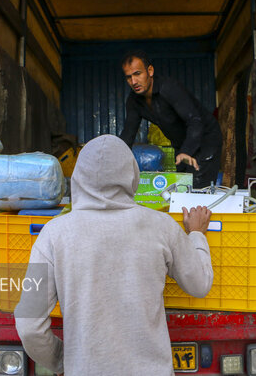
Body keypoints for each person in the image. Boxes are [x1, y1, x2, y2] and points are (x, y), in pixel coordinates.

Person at [15, 134, 214, 376]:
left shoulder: (53, 234)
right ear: (132, 174)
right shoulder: (161, 225)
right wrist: (196, 234)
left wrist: (62, 361)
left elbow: (29, 326)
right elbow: (200, 284)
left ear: (78, 176)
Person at [119, 50, 223, 188]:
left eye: (137, 74)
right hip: (181, 146)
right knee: (181, 188)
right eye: (128, 77)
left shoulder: (168, 88)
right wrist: (114, 159)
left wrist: (186, 151)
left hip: (205, 139)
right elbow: (128, 134)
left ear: (150, 71)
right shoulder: (134, 101)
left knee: (198, 188)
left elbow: (195, 121)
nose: (133, 81)